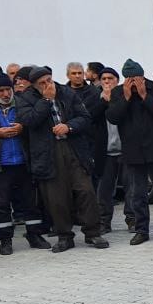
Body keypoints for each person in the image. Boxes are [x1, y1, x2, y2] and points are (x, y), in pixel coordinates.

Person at [18, 68, 108, 252]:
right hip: (47, 152)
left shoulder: (66, 92)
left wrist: (69, 126)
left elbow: (84, 117)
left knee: (86, 191)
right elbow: (29, 121)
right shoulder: (25, 98)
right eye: (42, 83)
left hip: (73, 147)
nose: (48, 85)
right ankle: (64, 236)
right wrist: (46, 101)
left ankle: (93, 233)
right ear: (34, 85)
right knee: (56, 198)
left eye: (49, 80)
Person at [0, 74, 50, 255]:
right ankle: (5, 240)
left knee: (30, 202)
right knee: (0, 204)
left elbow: (37, 125)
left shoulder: (22, 103)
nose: (5, 94)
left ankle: (34, 235)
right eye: (0, 91)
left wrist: (23, 128)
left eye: (8, 90)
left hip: (24, 162)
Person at [106, 59, 153, 245]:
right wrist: (127, 98)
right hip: (133, 151)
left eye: (136, 78)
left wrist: (145, 96)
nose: (133, 83)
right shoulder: (118, 92)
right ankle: (141, 230)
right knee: (137, 195)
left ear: (142, 76)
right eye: (129, 79)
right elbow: (113, 117)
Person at [90, 67, 126, 232]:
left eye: (110, 78)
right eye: (103, 79)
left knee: (131, 187)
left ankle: (132, 219)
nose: (106, 82)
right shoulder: (95, 98)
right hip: (104, 152)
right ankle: (104, 222)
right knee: (104, 190)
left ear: (117, 81)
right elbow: (89, 118)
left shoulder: (124, 97)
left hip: (126, 150)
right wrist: (104, 101)